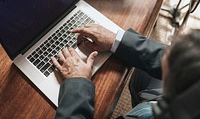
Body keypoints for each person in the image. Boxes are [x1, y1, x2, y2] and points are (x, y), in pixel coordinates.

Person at [51, 24, 200, 119]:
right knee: (140, 74)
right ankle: (139, 101)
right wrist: (116, 41)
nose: (167, 49)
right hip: (158, 97)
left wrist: (77, 82)